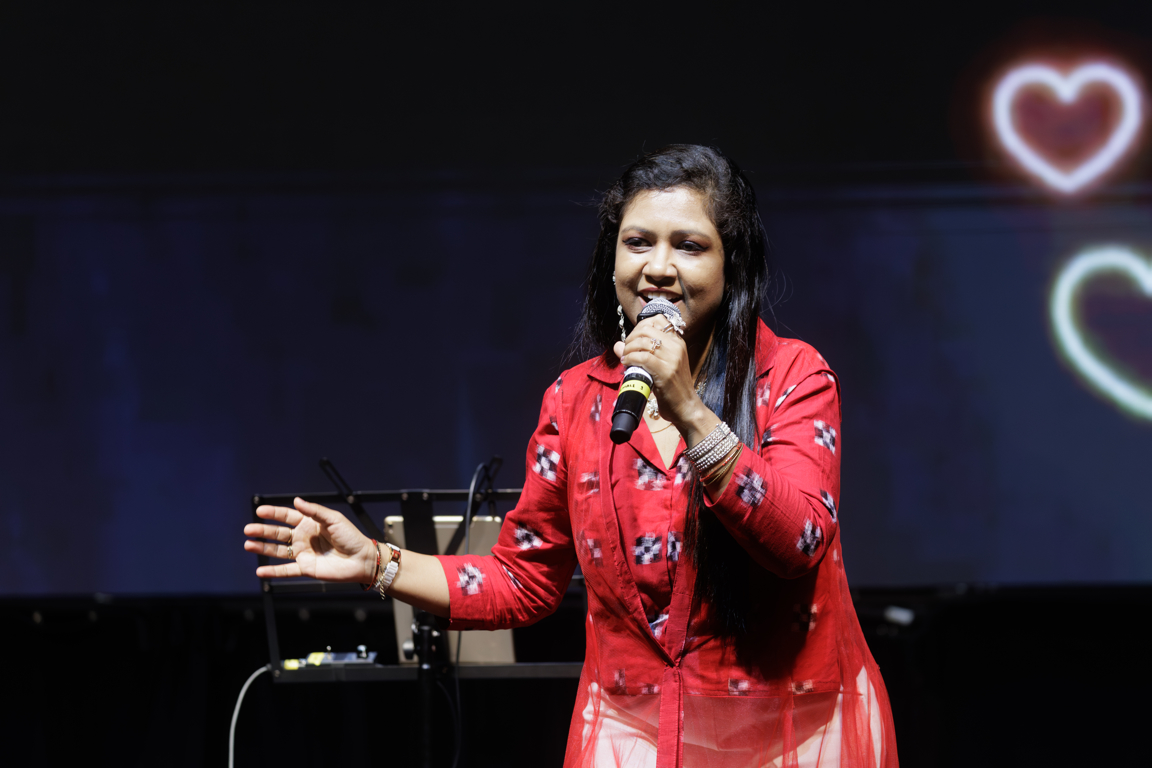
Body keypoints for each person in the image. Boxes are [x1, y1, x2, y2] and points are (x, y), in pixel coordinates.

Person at [244, 145, 898, 767]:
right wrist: (375, 564)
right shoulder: (575, 400)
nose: (658, 267)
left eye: (689, 245)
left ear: (733, 267)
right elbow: (523, 581)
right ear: (611, 263)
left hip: (791, 732)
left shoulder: (792, 377)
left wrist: (689, 411)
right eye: (637, 242)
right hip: (634, 734)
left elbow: (799, 540)